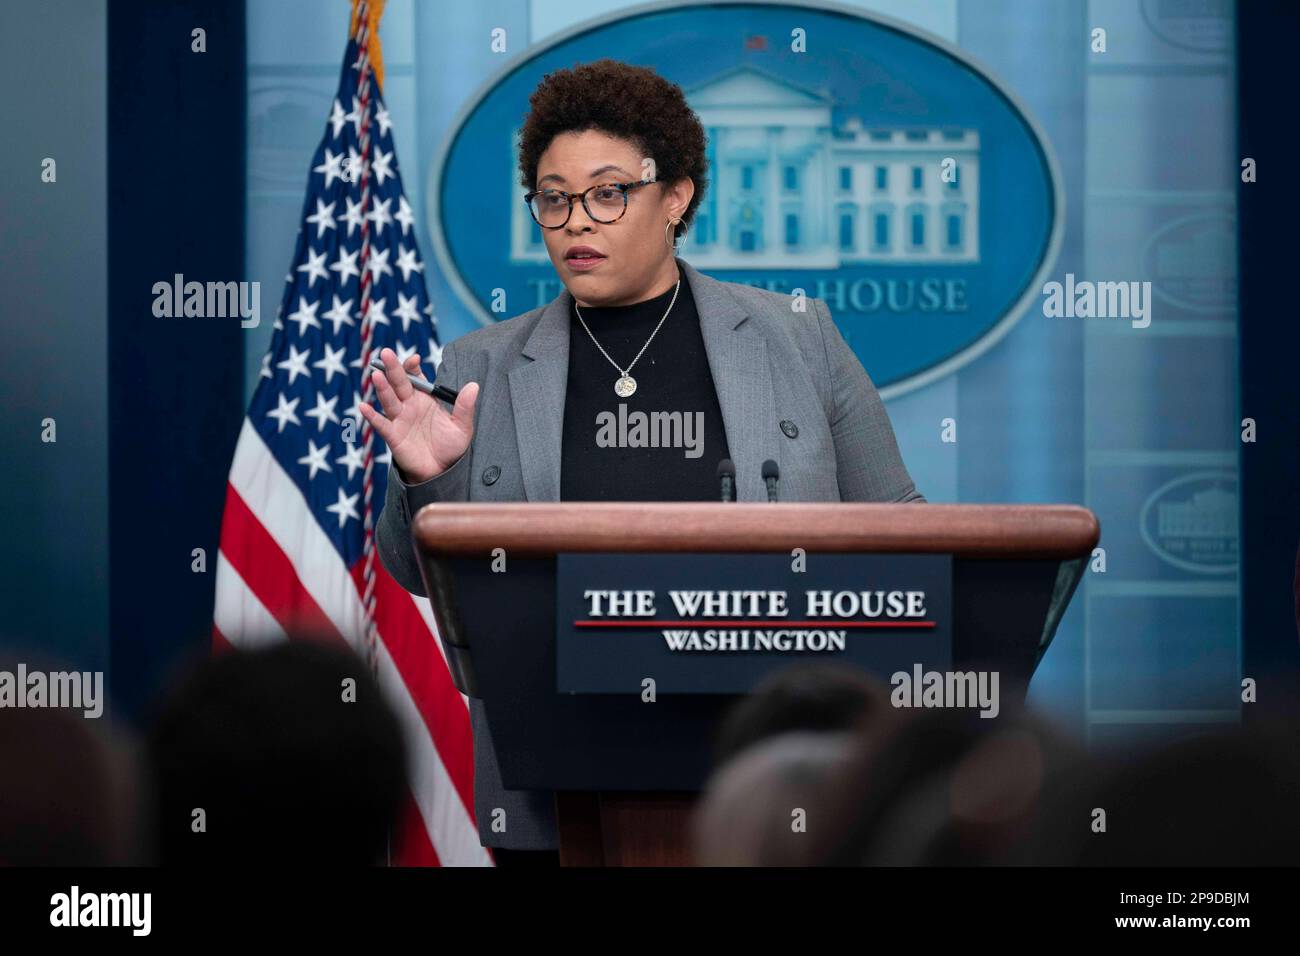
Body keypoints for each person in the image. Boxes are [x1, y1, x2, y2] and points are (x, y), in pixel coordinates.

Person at [364, 59, 924, 860]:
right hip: (559, 782)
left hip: (774, 786)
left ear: (676, 196)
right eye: (553, 198)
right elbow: (413, 572)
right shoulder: (479, 365)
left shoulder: (799, 338)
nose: (576, 222)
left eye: (607, 193)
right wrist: (432, 479)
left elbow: (906, 534)